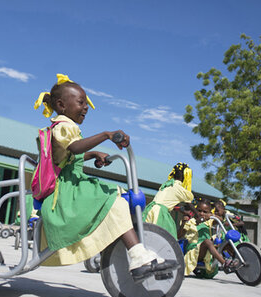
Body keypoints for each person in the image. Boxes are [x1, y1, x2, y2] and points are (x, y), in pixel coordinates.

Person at [33, 73, 176, 282]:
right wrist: (106, 135)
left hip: (73, 186)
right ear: (62, 105)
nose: (85, 107)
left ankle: (137, 251)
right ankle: (137, 255)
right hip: (66, 193)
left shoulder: (68, 126)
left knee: (116, 199)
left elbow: (70, 155)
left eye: (86, 103)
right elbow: (74, 147)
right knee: (113, 202)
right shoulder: (63, 125)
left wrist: (93, 155)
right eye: (81, 102)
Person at [180, 198, 240, 277]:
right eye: (199, 210)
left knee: (224, 241)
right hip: (194, 252)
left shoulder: (208, 221)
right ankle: (224, 263)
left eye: (205, 212)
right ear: (195, 210)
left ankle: (237, 260)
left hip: (207, 250)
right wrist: (183, 224)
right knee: (207, 242)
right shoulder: (190, 221)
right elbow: (179, 236)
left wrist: (211, 216)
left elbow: (221, 219)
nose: (202, 213)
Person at [143, 162, 194, 238]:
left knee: (146, 235)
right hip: (160, 213)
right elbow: (189, 201)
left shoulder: (167, 184)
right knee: (165, 237)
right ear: (185, 176)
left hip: (149, 209)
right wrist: (197, 215)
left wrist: (182, 210)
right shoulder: (178, 188)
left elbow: (169, 202)